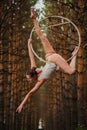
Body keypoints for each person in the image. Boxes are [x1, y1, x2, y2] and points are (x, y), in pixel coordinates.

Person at [16, 8, 77, 113]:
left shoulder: (40, 80)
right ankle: (34, 18)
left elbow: (30, 93)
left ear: (34, 76)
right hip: (49, 55)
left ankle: (75, 53)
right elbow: (31, 57)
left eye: (29, 79)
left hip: (53, 59)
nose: (29, 81)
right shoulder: (34, 69)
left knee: (71, 71)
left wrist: (22, 104)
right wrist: (28, 45)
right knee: (41, 36)